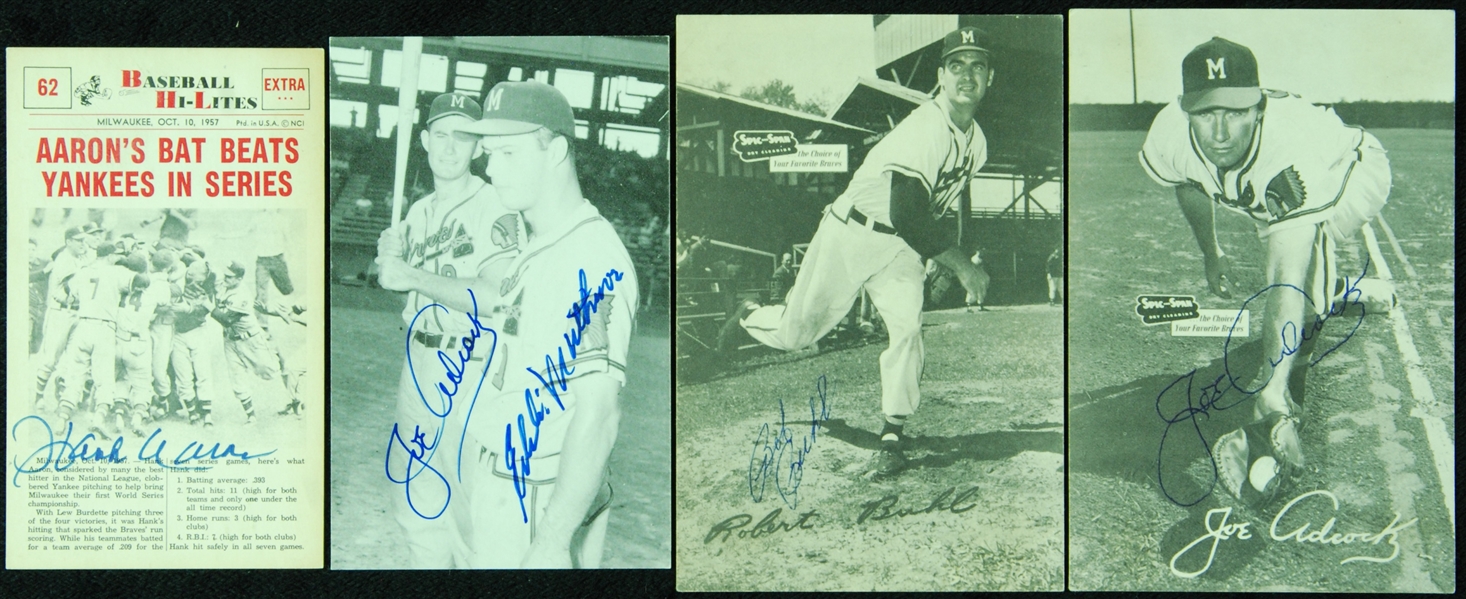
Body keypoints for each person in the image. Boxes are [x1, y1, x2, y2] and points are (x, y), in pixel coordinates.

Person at [730, 27, 994, 479]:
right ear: (940, 76)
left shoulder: (978, 145)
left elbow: (932, 210)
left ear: (990, 78)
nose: (966, 75)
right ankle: (749, 312)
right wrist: (961, 265)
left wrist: (937, 255)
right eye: (956, 66)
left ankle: (892, 433)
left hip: (898, 248)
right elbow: (908, 211)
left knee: (908, 329)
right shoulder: (925, 127)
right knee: (798, 335)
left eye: (977, 66)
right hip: (851, 234)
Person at [1139, 37, 1392, 507]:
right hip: (1266, 193)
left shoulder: (1290, 147)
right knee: (1302, 277)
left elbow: (1283, 281)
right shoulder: (1169, 132)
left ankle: (1286, 401)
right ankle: (1339, 291)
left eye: (1235, 112)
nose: (1218, 131)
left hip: (1351, 171)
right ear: (1184, 109)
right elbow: (1189, 183)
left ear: (1258, 107)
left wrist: (1270, 386)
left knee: (1302, 285)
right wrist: (1211, 251)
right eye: (1204, 113)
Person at [451, 80, 637, 568]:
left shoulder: (593, 259)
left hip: (538, 498)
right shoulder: (539, 241)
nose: (490, 170)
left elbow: (598, 415)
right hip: (500, 479)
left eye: (507, 153)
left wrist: (553, 539)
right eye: (488, 154)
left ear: (555, 151)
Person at [372, 92, 521, 568]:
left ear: (480, 146)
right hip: (417, 362)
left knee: (468, 510)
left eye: (464, 136)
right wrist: (392, 266)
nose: (451, 147)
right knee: (415, 498)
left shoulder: (496, 202)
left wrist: (411, 276)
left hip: (470, 366)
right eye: (441, 134)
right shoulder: (417, 211)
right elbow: (415, 291)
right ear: (424, 140)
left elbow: (495, 295)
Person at [34, 225, 97, 411]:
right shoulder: (64, 260)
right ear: (68, 241)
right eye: (78, 240)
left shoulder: (81, 256)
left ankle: (67, 395)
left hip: (78, 313)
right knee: (51, 359)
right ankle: (38, 395)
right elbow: (72, 288)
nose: (82, 243)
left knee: (76, 358)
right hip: (60, 312)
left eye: (84, 240)